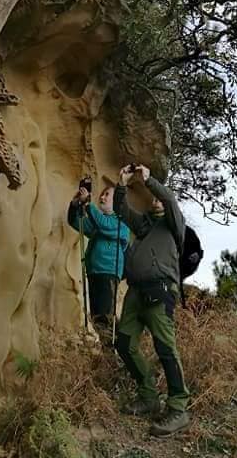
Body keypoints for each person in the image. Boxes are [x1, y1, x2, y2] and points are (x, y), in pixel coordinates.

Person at [112, 164, 191, 437]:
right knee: (124, 343)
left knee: (165, 348)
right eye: (153, 199)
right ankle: (148, 396)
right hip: (135, 292)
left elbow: (169, 200)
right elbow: (121, 210)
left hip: (160, 291)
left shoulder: (174, 225)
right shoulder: (144, 225)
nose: (156, 201)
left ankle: (178, 408)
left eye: (158, 198)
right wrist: (121, 184)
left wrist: (149, 180)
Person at [67, 183, 130, 333]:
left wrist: (88, 203)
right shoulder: (98, 222)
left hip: (108, 274)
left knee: (105, 316)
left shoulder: (121, 222)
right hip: (94, 273)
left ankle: (116, 344)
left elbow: (104, 225)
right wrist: (75, 205)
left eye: (107, 195)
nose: (102, 197)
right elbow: (76, 222)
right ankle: (107, 343)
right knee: (97, 317)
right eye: (102, 194)